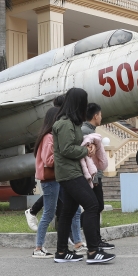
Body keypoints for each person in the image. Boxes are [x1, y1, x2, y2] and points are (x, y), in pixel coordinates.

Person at [52, 88, 115, 263]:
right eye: (84, 102)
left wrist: (88, 147)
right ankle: (94, 252)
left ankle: (62, 252)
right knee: (92, 205)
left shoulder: (70, 122)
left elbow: (73, 145)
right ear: (77, 103)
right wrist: (85, 150)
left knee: (68, 211)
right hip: (69, 172)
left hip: (70, 171)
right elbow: (66, 149)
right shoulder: (64, 124)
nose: (85, 106)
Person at [31, 107, 85, 258]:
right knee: (48, 213)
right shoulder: (48, 137)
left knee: (74, 210)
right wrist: (64, 155)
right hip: (51, 180)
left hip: (59, 179)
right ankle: (38, 248)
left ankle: (78, 243)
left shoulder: (50, 136)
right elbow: (49, 160)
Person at [82, 103, 114, 251]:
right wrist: (94, 179)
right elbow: (88, 159)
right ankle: (93, 240)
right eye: (100, 115)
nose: (101, 117)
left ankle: (96, 239)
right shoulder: (86, 132)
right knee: (95, 207)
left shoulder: (91, 131)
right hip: (92, 177)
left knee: (97, 207)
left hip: (95, 176)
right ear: (95, 116)